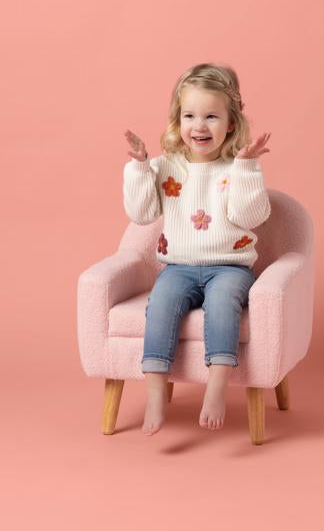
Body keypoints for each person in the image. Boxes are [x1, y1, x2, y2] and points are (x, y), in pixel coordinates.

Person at [123, 62, 271, 436]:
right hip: (179, 267)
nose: (199, 126)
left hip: (230, 268)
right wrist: (140, 167)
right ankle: (155, 393)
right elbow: (141, 214)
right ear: (178, 119)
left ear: (231, 122)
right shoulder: (166, 166)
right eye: (189, 115)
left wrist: (247, 168)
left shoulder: (237, 168)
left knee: (222, 304)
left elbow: (250, 216)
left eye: (211, 116)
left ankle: (217, 387)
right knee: (160, 304)